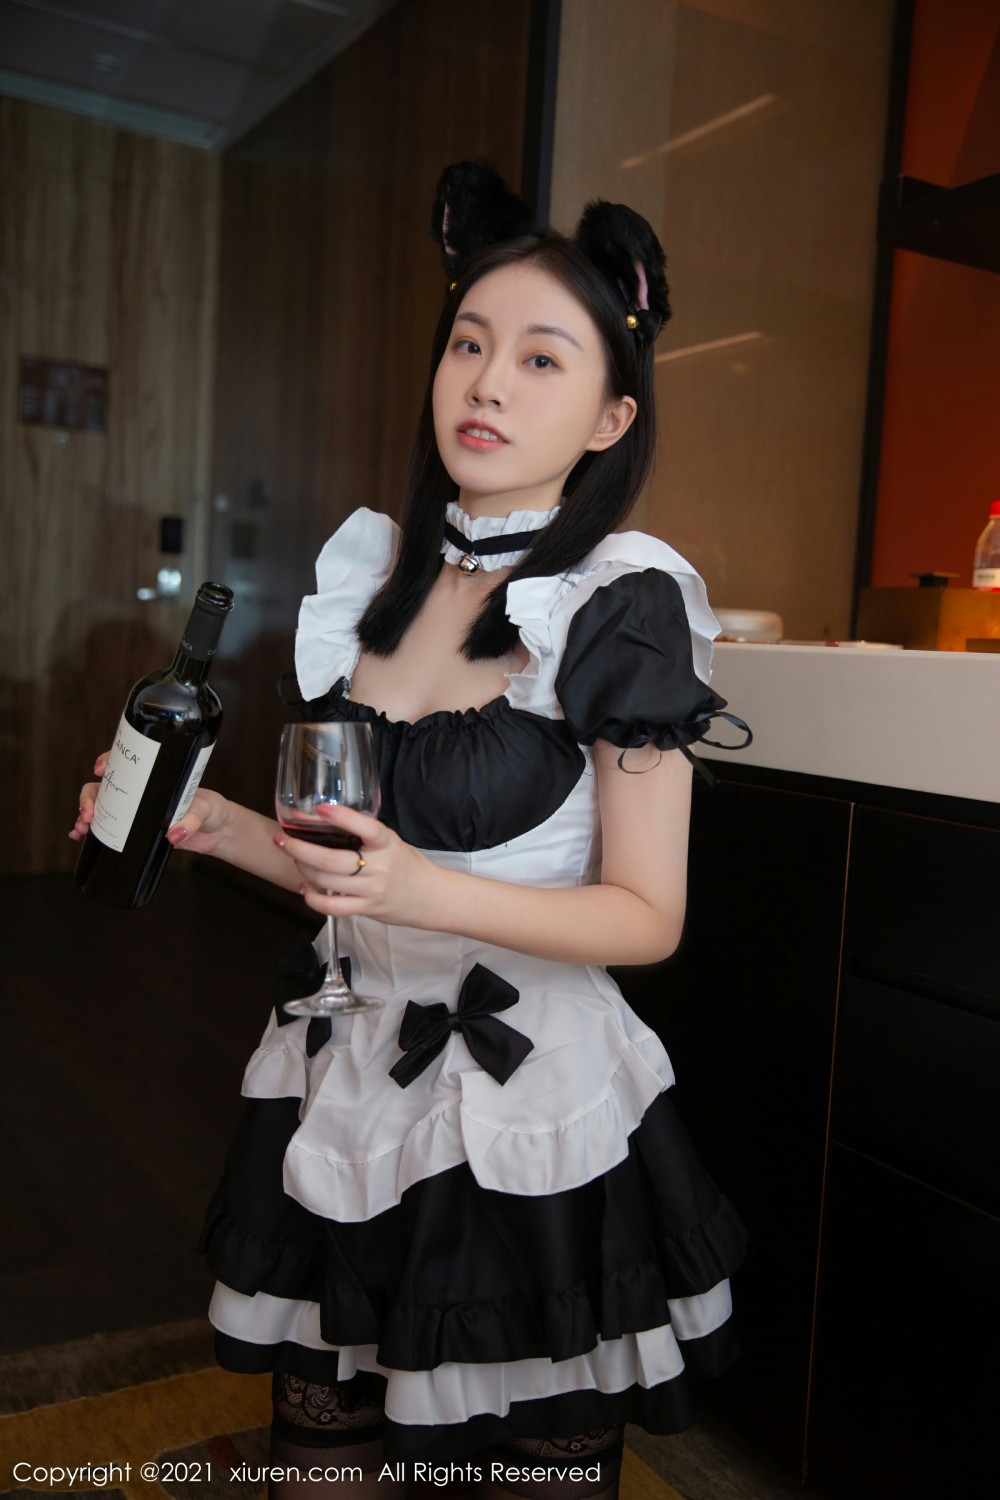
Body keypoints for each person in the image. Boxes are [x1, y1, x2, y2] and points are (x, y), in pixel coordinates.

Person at [73, 159, 752, 1499]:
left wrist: (422, 892)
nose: (488, 383)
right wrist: (213, 826)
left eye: (541, 359)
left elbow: (648, 916)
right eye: (468, 344)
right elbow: (348, 872)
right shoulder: (378, 579)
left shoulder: (621, 602)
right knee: (321, 1456)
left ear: (613, 414)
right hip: (344, 1073)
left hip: (523, 1101)